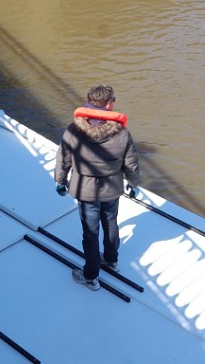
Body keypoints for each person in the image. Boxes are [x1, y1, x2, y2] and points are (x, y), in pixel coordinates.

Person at [54, 84, 141, 291]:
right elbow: (131, 163)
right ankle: (111, 260)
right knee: (110, 223)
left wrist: (60, 181)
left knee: (90, 233)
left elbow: (63, 158)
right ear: (110, 104)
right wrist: (134, 184)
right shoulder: (122, 133)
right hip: (111, 188)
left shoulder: (74, 130)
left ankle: (91, 277)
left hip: (85, 189)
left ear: (89, 103)